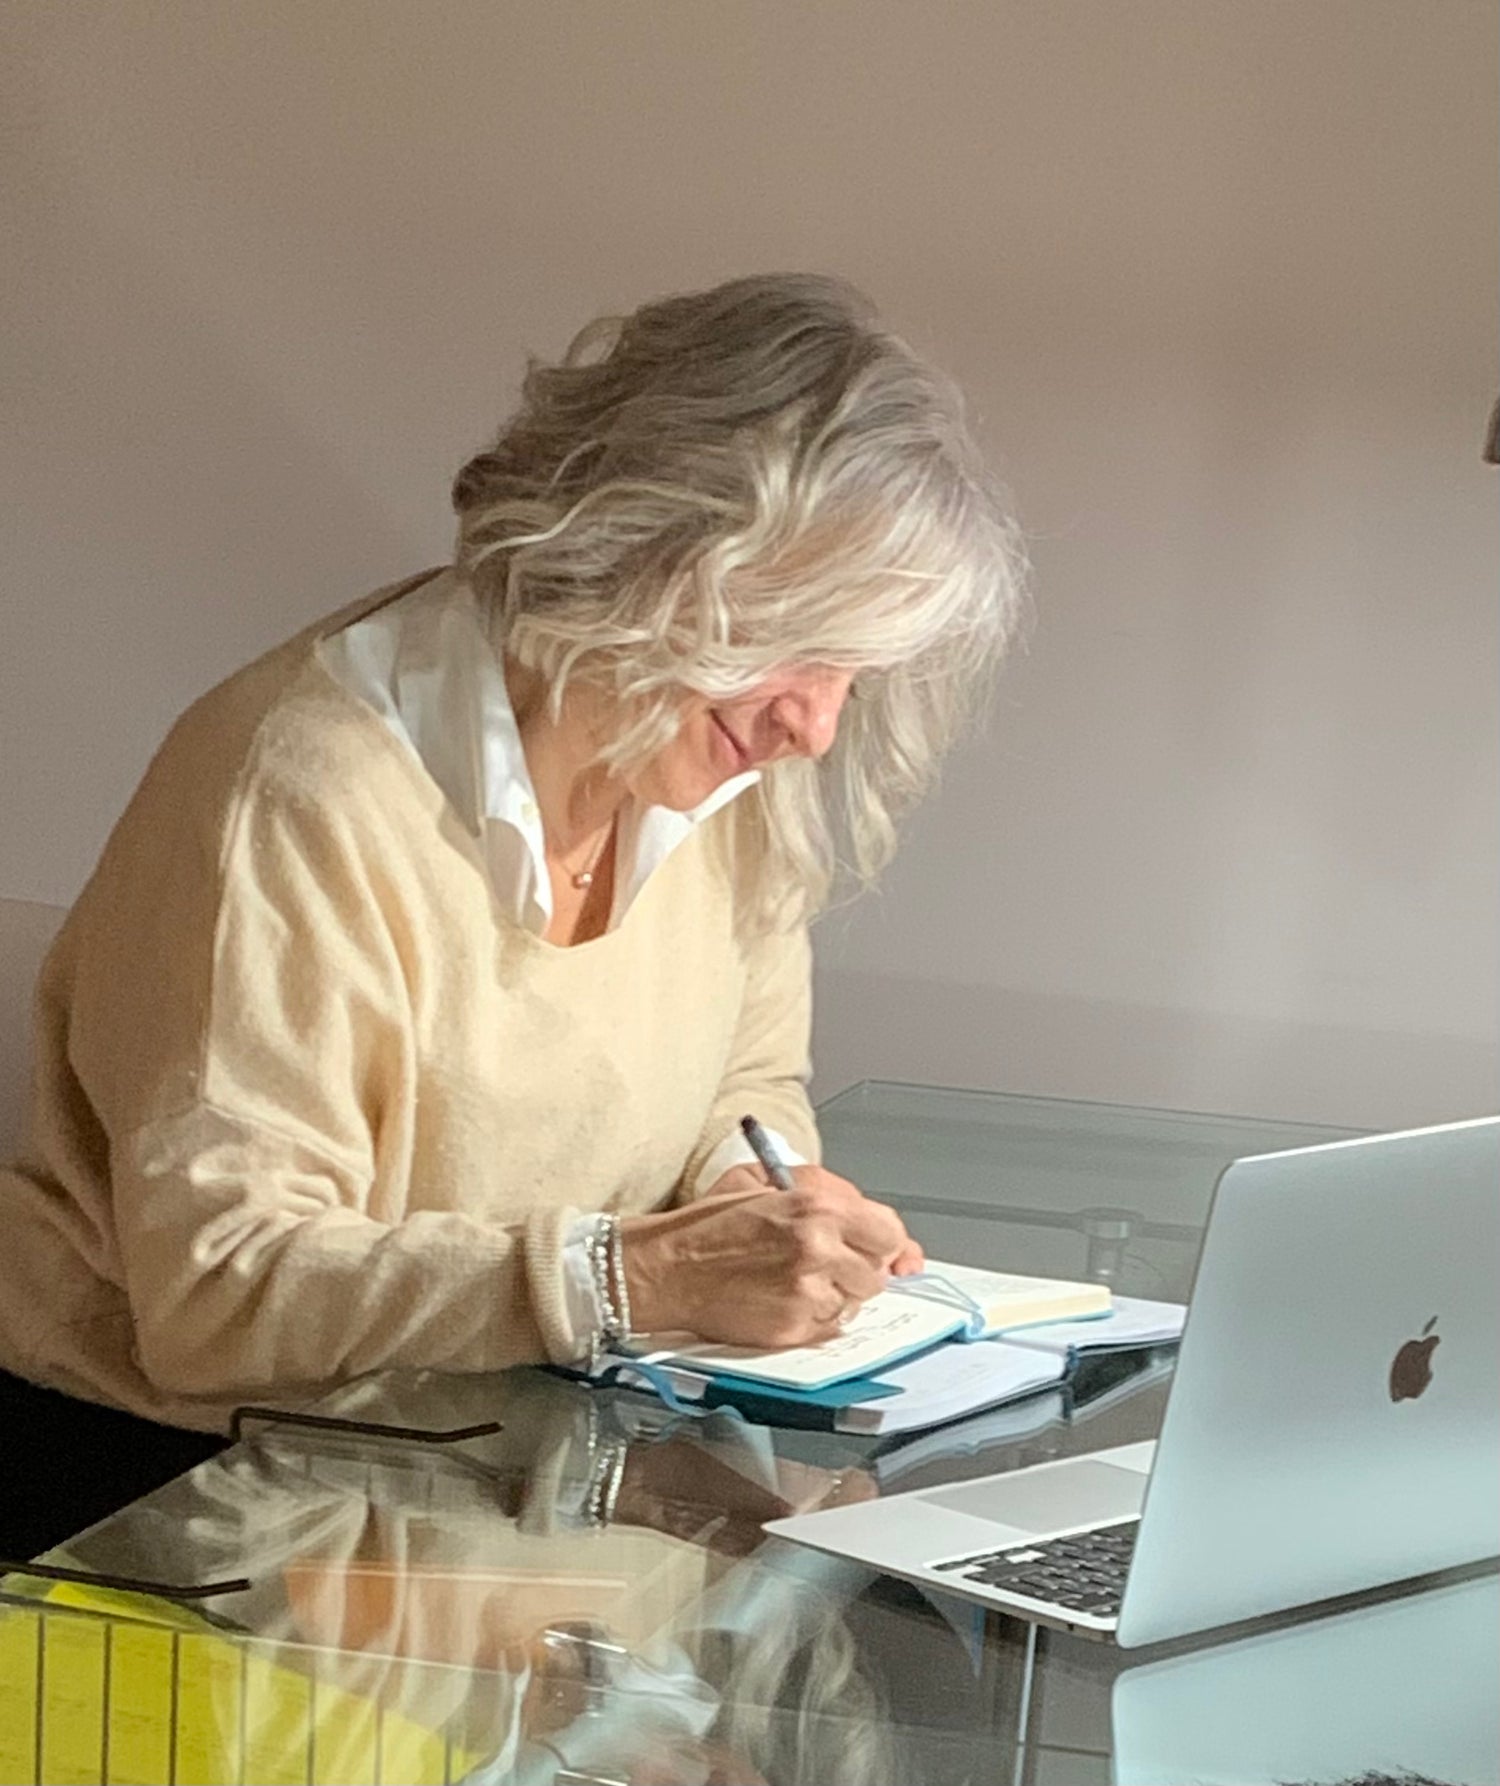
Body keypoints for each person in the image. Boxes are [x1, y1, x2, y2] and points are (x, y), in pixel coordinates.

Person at [0, 272, 1027, 1556]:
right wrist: (628, 1277)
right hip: (179, 1496)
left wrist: (755, 1200)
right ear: (641, 546)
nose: (814, 727)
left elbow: (746, 1081)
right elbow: (217, 1293)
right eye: (793, 643)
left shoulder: (713, 770)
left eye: (853, 672)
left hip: (496, 1464)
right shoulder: (300, 790)